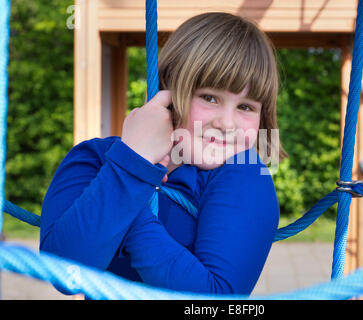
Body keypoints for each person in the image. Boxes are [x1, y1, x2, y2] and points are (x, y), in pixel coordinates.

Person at [40, 12, 288, 296]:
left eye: (246, 107)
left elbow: (216, 299)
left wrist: (133, 208)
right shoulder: (96, 158)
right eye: (209, 97)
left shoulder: (244, 173)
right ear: (169, 90)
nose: (226, 123)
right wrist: (133, 161)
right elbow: (66, 274)